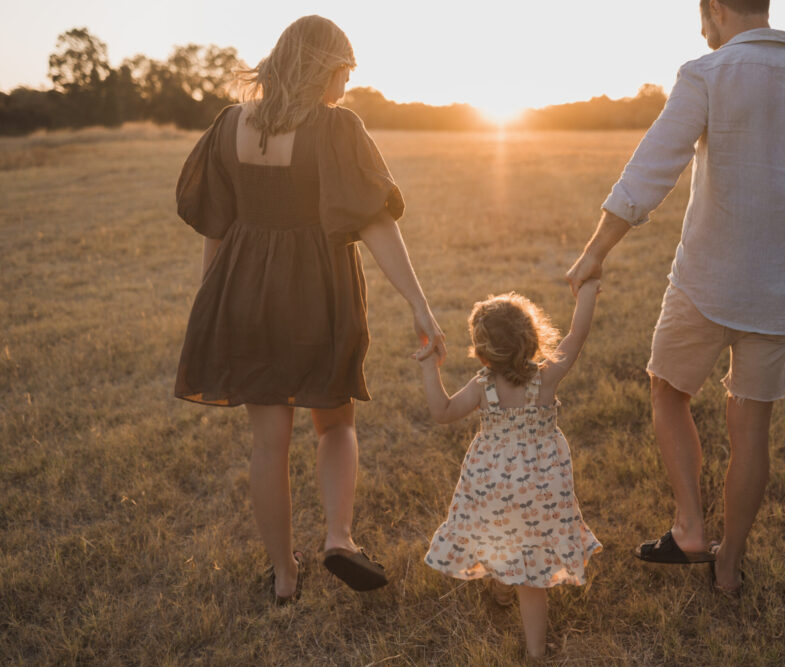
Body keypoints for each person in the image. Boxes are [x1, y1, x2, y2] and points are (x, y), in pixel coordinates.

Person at [566, 0, 785, 595]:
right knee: (752, 427)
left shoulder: (706, 73)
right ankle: (729, 563)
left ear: (714, 8)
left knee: (667, 389)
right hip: (783, 287)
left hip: (705, 282)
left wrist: (596, 250)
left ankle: (690, 527)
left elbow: (650, 170)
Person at [174, 15, 445, 602]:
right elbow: (375, 223)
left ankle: (283, 576)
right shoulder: (336, 128)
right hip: (317, 292)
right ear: (324, 66)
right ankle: (339, 539)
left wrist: (210, 302)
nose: (346, 86)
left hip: (243, 292)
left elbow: (214, 228)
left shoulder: (228, 125)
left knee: (268, 441)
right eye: (345, 70)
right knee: (336, 423)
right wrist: (419, 304)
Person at [416, 286, 603, 659]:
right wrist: (586, 294)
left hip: (492, 482)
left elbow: (443, 412)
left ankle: (503, 584)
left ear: (483, 353)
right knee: (532, 565)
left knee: (501, 534)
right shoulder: (545, 378)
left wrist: (428, 365)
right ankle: (536, 651)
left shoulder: (483, 386)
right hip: (541, 486)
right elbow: (576, 335)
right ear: (532, 338)